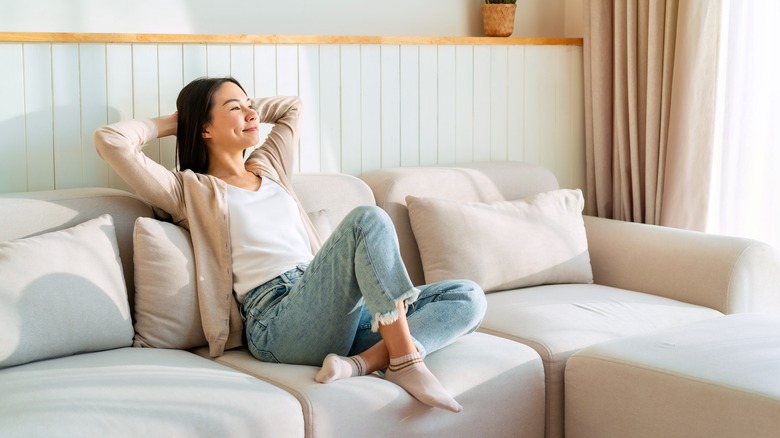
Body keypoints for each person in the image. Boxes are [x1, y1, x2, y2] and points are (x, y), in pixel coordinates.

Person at [94, 77, 486, 412]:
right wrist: (177, 122)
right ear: (205, 128)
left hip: (337, 309)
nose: (251, 114)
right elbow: (110, 140)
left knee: (467, 295)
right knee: (367, 219)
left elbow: (291, 108)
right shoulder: (189, 190)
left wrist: (238, 108)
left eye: (251, 105)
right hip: (276, 318)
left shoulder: (269, 167)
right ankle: (404, 361)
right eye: (235, 108)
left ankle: (360, 364)